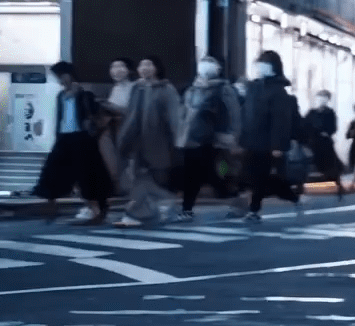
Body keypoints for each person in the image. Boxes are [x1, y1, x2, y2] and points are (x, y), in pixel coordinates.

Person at [35, 62, 114, 223]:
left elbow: (101, 115)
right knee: (52, 171)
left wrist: (93, 129)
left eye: (62, 76)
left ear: (69, 75)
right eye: (58, 76)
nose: (60, 79)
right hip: (64, 137)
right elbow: (61, 117)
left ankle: (97, 209)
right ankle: (51, 205)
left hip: (82, 138)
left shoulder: (85, 95)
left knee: (88, 175)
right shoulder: (61, 96)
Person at [114, 56, 184, 227]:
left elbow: (174, 118)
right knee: (140, 178)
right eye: (141, 64)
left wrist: (178, 142)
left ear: (157, 68)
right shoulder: (137, 88)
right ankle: (141, 213)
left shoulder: (166, 89)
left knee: (153, 179)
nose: (144, 68)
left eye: (148, 64)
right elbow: (131, 115)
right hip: (138, 141)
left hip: (159, 141)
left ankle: (148, 212)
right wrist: (124, 137)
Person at [176, 56, 242, 222]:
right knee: (192, 174)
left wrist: (232, 135)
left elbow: (233, 113)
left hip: (212, 139)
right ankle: (187, 208)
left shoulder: (223, 88)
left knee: (215, 173)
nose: (205, 68)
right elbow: (183, 113)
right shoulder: (192, 89)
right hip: (191, 138)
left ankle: (237, 200)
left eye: (210, 64)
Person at [238, 50, 301, 222]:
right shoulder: (253, 87)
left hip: (267, 143)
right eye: (259, 62)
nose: (260, 66)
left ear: (273, 67)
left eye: (264, 63)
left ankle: (254, 210)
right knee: (248, 175)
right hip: (250, 140)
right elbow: (245, 114)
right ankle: (288, 194)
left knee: (260, 177)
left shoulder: (278, 91)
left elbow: (280, 121)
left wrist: (277, 146)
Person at [303, 90, 347, 200]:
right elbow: (305, 125)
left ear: (328, 100)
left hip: (324, 142)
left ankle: (338, 185)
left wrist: (326, 133)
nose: (321, 100)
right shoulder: (311, 112)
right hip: (312, 141)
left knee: (331, 163)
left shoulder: (329, 112)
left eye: (324, 98)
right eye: (319, 97)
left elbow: (332, 128)